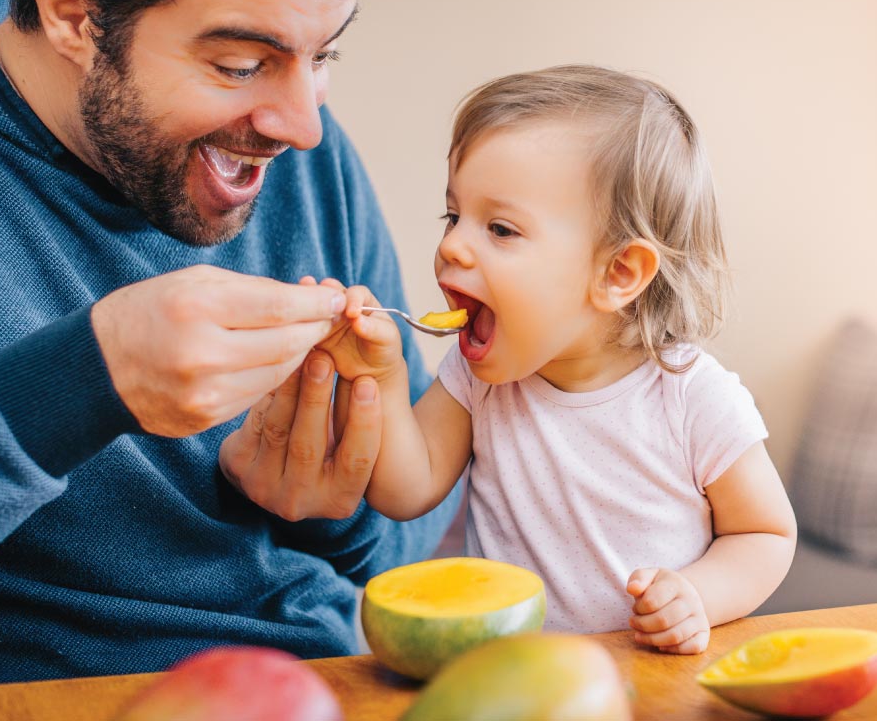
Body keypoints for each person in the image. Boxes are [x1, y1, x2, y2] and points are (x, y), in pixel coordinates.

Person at [0, 0, 457, 685]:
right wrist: (87, 378)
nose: (303, 127)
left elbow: (415, 545)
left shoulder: (299, 152)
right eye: (241, 66)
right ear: (73, 15)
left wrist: (334, 511)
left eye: (324, 53)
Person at [320, 65, 797, 653]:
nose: (450, 245)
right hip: (512, 674)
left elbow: (766, 532)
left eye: (499, 228)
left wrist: (698, 594)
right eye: (453, 216)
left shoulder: (692, 395)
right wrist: (382, 376)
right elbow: (404, 489)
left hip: (648, 678)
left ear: (617, 273)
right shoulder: (478, 378)